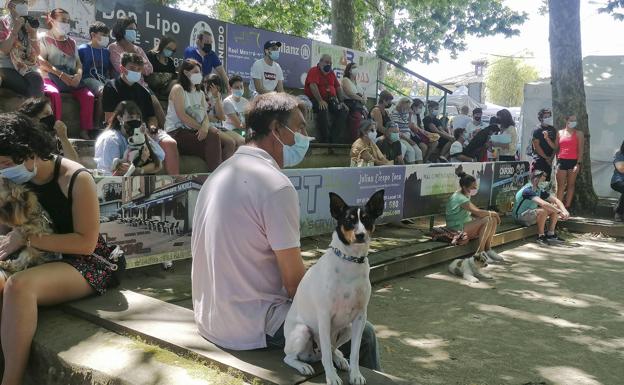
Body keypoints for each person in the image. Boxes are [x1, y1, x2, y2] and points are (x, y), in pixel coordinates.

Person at [191, 92, 379, 369]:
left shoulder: (219, 173)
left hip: (209, 316)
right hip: (251, 325)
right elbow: (295, 286)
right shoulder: (276, 187)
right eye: (300, 127)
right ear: (277, 130)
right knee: (364, 334)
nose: (305, 135)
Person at [0, 112, 118, 385]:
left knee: (19, 287)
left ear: (29, 154)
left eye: (5, 163)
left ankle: (12, 380)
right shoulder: (13, 178)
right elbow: (9, 230)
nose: (3, 171)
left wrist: (26, 239)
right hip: (35, 256)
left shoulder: (76, 178)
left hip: (84, 262)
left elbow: (85, 243)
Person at [102, 52, 179, 175]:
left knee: (170, 143)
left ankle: (175, 183)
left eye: (139, 69)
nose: (136, 72)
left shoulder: (143, 91)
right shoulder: (111, 87)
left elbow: (151, 117)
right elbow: (109, 118)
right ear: (122, 68)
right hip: (123, 130)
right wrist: (130, 130)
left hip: (144, 131)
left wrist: (152, 128)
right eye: (132, 68)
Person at [37, 8, 94, 140]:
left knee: (88, 96)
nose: (66, 23)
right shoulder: (43, 38)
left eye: (68, 21)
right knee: (54, 94)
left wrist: (78, 76)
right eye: (63, 20)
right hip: (49, 76)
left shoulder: (71, 42)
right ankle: (55, 130)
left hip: (70, 77)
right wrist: (62, 75)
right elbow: (41, 61)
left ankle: (85, 130)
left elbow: (78, 63)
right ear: (51, 20)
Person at [164, 59, 222, 172]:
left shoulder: (199, 93)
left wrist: (205, 127)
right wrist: (201, 128)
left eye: (200, 72)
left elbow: (204, 115)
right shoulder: (178, 89)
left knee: (215, 135)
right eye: (195, 72)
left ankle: (214, 174)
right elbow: (182, 115)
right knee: (212, 139)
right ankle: (214, 175)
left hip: (193, 131)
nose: (199, 75)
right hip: (177, 131)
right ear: (186, 72)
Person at [108, 16, 166, 127]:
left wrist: (136, 56)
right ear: (121, 29)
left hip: (141, 85)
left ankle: (166, 133)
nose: (133, 32)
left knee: (155, 104)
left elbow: (149, 69)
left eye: (135, 29)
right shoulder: (113, 47)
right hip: (123, 85)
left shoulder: (138, 49)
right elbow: (120, 67)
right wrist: (139, 66)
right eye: (130, 29)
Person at [445, 169, 503, 261]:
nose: (475, 189)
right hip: (456, 228)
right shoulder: (459, 198)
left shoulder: (465, 194)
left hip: (464, 224)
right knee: (488, 219)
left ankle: (488, 250)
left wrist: (493, 216)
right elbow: (478, 212)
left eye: (475, 186)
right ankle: (480, 253)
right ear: (464, 187)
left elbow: (475, 213)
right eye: (473, 187)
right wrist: (494, 213)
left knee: (492, 219)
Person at [94, 100, 163, 175]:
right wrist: (141, 161)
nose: (135, 120)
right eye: (130, 117)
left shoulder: (141, 135)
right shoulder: (111, 139)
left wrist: (139, 170)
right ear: (120, 118)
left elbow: (158, 164)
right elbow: (114, 171)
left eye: (137, 117)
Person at [513, 170, 569, 245]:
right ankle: (541, 236)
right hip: (520, 217)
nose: (544, 181)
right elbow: (543, 203)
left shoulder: (539, 189)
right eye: (542, 179)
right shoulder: (527, 190)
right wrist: (559, 212)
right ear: (535, 179)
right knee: (544, 211)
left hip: (530, 215)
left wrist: (564, 210)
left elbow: (556, 200)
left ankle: (550, 234)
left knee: (554, 207)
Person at [0, 0, 43, 98]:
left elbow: (37, 52)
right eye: (20, 2)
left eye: (25, 2)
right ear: (10, 5)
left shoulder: (29, 23)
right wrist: (14, 29)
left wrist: (33, 34)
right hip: (7, 67)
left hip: (27, 67)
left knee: (37, 82)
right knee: (29, 87)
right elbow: (2, 51)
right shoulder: (2, 22)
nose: (24, 5)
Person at [304, 54, 349, 143]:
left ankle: (333, 139)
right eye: (326, 62)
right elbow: (313, 86)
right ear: (320, 62)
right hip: (315, 99)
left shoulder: (331, 73)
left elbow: (338, 87)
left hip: (331, 100)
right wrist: (320, 100)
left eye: (330, 63)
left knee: (343, 110)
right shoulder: (314, 71)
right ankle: (325, 139)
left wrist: (341, 102)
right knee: (323, 108)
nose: (329, 65)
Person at [18, 97, 78, 162]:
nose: (51, 117)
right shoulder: (23, 141)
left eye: (51, 114)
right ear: (32, 119)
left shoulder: (53, 138)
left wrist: (64, 138)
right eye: (46, 114)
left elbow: (74, 162)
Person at [78, 21, 114, 129]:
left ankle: (112, 124)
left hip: (103, 78)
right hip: (87, 78)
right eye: (103, 35)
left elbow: (109, 71)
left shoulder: (107, 52)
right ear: (93, 35)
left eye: (107, 36)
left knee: (117, 88)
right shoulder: (82, 49)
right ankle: (97, 124)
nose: (106, 38)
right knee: (103, 91)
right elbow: (77, 67)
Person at [203, 73, 238, 160]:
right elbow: (202, 116)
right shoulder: (201, 95)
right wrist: (214, 118)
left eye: (217, 89)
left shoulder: (217, 96)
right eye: (211, 87)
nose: (215, 90)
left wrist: (217, 99)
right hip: (207, 126)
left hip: (218, 126)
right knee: (230, 142)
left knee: (241, 141)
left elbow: (222, 117)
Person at [555, 114, 584, 208]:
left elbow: (581, 150)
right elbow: (556, 148)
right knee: (561, 186)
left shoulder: (579, 133)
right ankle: (558, 207)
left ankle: (567, 206)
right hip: (561, 161)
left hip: (573, 161)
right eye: (571, 120)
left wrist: (578, 164)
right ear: (566, 120)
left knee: (571, 185)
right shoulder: (559, 133)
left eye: (575, 120)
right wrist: (556, 161)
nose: (573, 122)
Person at [390, 96, 423, 164]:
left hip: (407, 136)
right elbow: (397, 131)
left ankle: (419, 171)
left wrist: (410, 115)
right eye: (407, 107)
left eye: (409, 107)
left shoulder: (405, 113)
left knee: (418, 152)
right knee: (411, 152)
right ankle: (411, 171)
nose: (408, 109)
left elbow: (409, 126)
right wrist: (408, 140)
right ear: (401, 104)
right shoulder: (394, 114)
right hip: (400, 137)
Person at [341, 62, 368, 141]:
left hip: (359, 106)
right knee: (357, 118)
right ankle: (355, 141)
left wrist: (364, 99)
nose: (356, 69)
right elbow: (349, 93)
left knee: (368, 121)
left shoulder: (358, 83)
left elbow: (364, 95)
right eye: (354, 67)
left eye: (357, 67)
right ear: (349, 70)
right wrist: (360, 99)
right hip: (350, 105)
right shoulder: (345, 80)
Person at [531, 108, 557, 181]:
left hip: (549, 162)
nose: (547, 119)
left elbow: (555, 146)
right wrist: (546, 158)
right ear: (541, 118)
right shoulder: (537, 130)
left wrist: (551, 159)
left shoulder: (553, 129)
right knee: (537, 183)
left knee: (546, 184)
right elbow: (536, 147)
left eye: (549, 117)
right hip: (539, 161)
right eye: (545, 117)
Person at [222, 74, 248, 146]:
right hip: (232, 130)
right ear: (230, 88)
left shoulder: (245, 101)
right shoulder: (227, 102)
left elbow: (249, 119)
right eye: (236, 87)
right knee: (247, 141)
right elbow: (238, 125)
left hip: (244, 130)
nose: (239, 89)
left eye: (241, 87)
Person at [409, 98, 437, 162]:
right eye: (419, 107)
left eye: (421, 107)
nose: (420, 109)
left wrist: (427, 134)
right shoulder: (410, 115)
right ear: (413, 106)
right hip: (413, 136)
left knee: (435, 142)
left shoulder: (418, 116)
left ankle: (425, 159)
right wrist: (422, 131)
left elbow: (422, 127)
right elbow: (412, 127)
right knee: (424, 147)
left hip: (420, 135)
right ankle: (419, 162)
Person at [611, 140, 624, 222]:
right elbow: (621, 169)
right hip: (617, 181)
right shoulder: (619, 154)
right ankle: (618, 212)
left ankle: (619, 207)